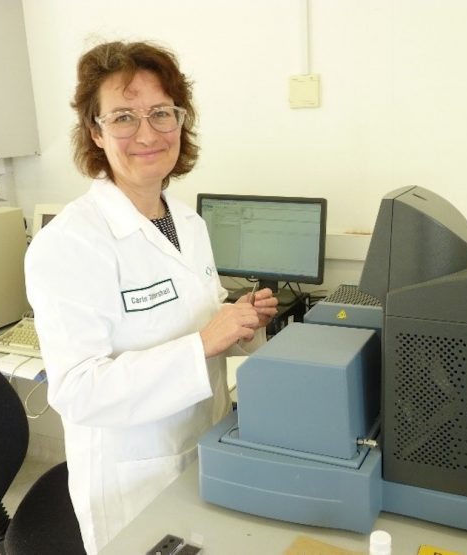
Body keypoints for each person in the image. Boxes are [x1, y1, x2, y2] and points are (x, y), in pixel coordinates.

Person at [24, 40, 278, 554]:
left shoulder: (187, 221)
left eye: (161, 113)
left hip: (205, 446)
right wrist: (203, 344)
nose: (146, 134)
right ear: (95, 132)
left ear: (180, 122)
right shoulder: (69, 244)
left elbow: (198, 316)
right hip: (134, 480)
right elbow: (78, 391)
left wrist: (241, 320)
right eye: (123, 117)